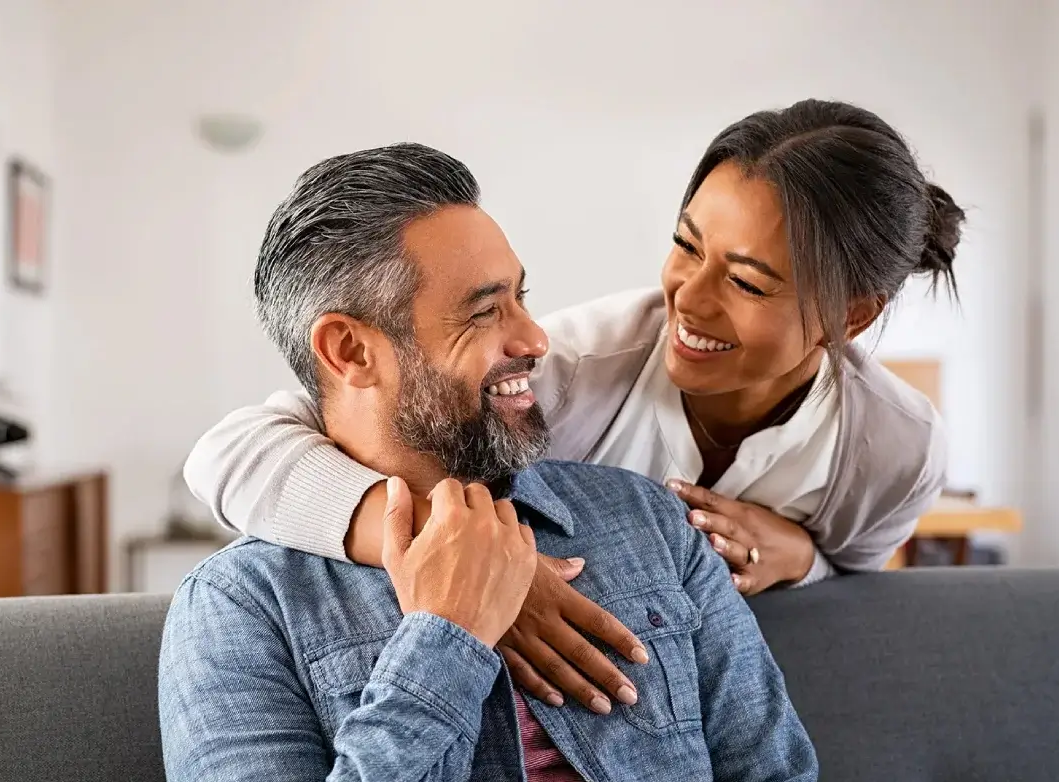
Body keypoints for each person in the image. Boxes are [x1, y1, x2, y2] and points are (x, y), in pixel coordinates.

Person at [183, 99, 963, 714]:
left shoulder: (896, 449)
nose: (687, 298)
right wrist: (467, 560)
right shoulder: (570, 368)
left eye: (748, 282)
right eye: (686, 245)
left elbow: (858, 585)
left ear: (850, 317)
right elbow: (232, 452)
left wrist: (803, 558)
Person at [158, 143, 818, 782]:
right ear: (351, 350)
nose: (534, 339)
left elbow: (777, 774)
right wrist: (445, 639)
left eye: (523, 298)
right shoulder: (240, 607)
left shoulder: (651, 521)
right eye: (484, 312)